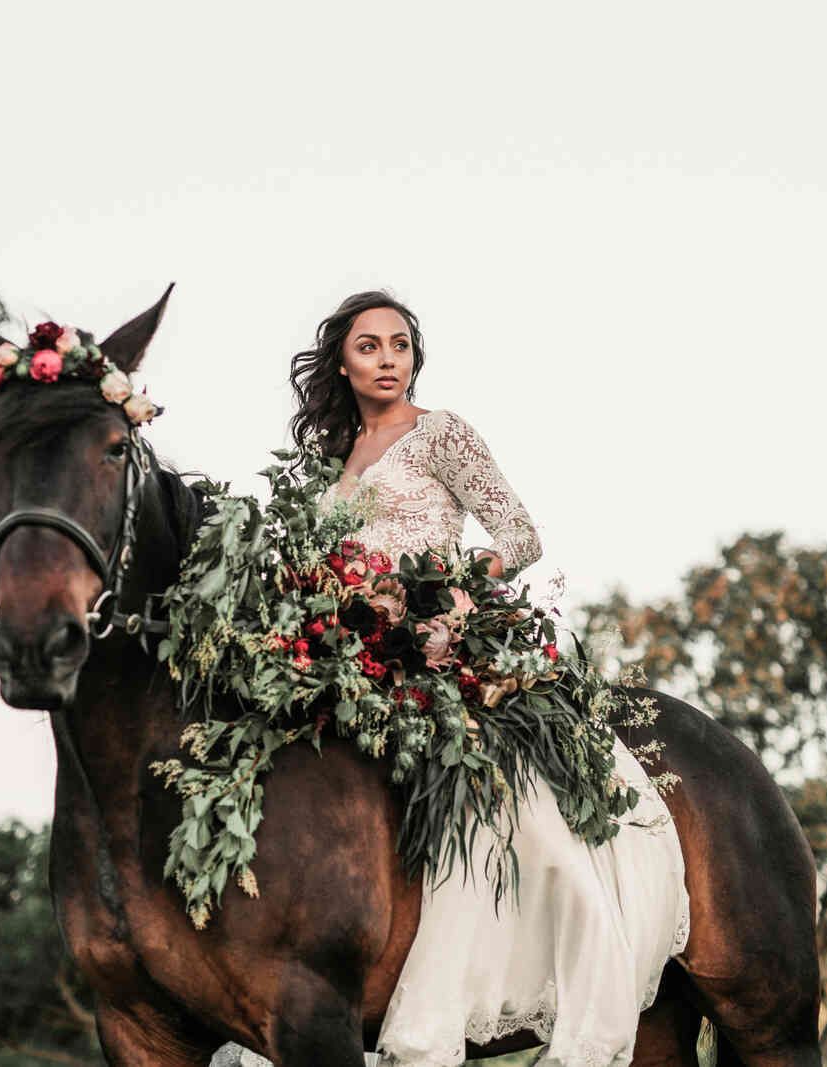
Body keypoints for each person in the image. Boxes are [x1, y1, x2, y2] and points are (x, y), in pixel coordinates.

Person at [283, 289, 691, 1067]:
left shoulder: (442, 435)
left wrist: (446, 587)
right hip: (351, 653)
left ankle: (536, 959)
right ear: (341, 359)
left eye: (399, 344)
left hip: (443, 643)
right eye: (369, 346)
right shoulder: (326, 462)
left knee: (506, 810)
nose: (387, 359)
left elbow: (520, 533)